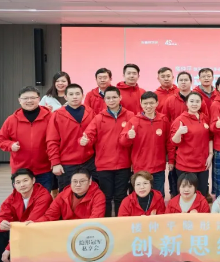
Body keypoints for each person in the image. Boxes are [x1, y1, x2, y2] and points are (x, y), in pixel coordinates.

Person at [35, 169, 105, 262]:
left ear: (90, 182)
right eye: (75, 181)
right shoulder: (62, 195)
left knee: (93, 234)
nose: (78, 184)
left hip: (87, 231)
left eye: (82, 181)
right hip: (67, 230)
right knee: (50, 230)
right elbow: (50, 215)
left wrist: (78, 231)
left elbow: (95, 219)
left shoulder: (98, 195)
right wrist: (35, 223)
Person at [83, 86, 134, 217]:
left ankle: (120, 222)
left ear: (120, 98)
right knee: (106, 197)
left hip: (123, 164)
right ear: (104, 100)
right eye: (108, 98)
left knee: (121, 196)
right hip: (104, 165)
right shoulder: (98, 118)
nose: (111, 100)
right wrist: (85, 140)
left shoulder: (130, 116)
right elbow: (89, 135)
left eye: (114, 97)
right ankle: (106, 224)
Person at [0, 86, 53, 191]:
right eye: (25, 98)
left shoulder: (50, 117)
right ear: (19, 100)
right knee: (21, 199)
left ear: (39, 99)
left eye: (33, 98)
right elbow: (0, 139)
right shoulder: (11, 120)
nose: (29, 101)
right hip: (20, 171)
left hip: (44, 170)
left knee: (43, 199)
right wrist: (10, 145)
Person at [46, 84, 96, 192]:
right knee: (66, 194)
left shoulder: (91, 112)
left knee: (90, 191)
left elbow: (96, 135)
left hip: (89, 161)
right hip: (66, 163)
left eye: (77, 94)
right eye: (71, 94)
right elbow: (52, 140)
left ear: (83, 96)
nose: (74, 97)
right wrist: (55, 163)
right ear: (65, 97)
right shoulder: (57, 115)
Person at [120, 91, 170, 198]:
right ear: (141, 104)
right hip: (140, 168)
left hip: (158, 168)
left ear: (157, 103)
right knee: (141, 197)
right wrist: (128, 136)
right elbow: (122, 142)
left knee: (158, 197)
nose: (148, 106)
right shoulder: (134, 121)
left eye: (151, 103)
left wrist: (171, 160)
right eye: (145, 103)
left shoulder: (163, 120)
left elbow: (169, 142)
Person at [119, 171, 166, 262]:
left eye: (145, 183)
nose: (142, 187)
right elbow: (121, 224)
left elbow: (163, 219)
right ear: (133, 186)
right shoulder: (126, 201)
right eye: (138, 184)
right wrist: (141, 222)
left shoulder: (158, 198)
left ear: (151, 184)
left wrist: (155, 219)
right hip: (133, 234)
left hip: (152, 233)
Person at [166, 173, 210, 262]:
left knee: (197, 243)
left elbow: (207, 224)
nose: (186, 189)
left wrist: (197, 218)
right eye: (183, 186)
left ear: (195, 187)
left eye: (190, 186)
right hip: (177, 235)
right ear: (178, 188)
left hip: (195, 235)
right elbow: (166, 223)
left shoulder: (202, 202)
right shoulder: (172, 202)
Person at [170, 92, 213, 196]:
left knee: (201, 195)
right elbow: (174, 142)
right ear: (186, 103)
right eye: (192, 101)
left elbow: (210, 137)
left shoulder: (204, 118)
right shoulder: (180, 120)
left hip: (203, 165)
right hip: (186, 166)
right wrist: (179, 132)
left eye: (197, 101)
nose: (194, 104)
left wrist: (211, 154)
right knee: (187, 196)